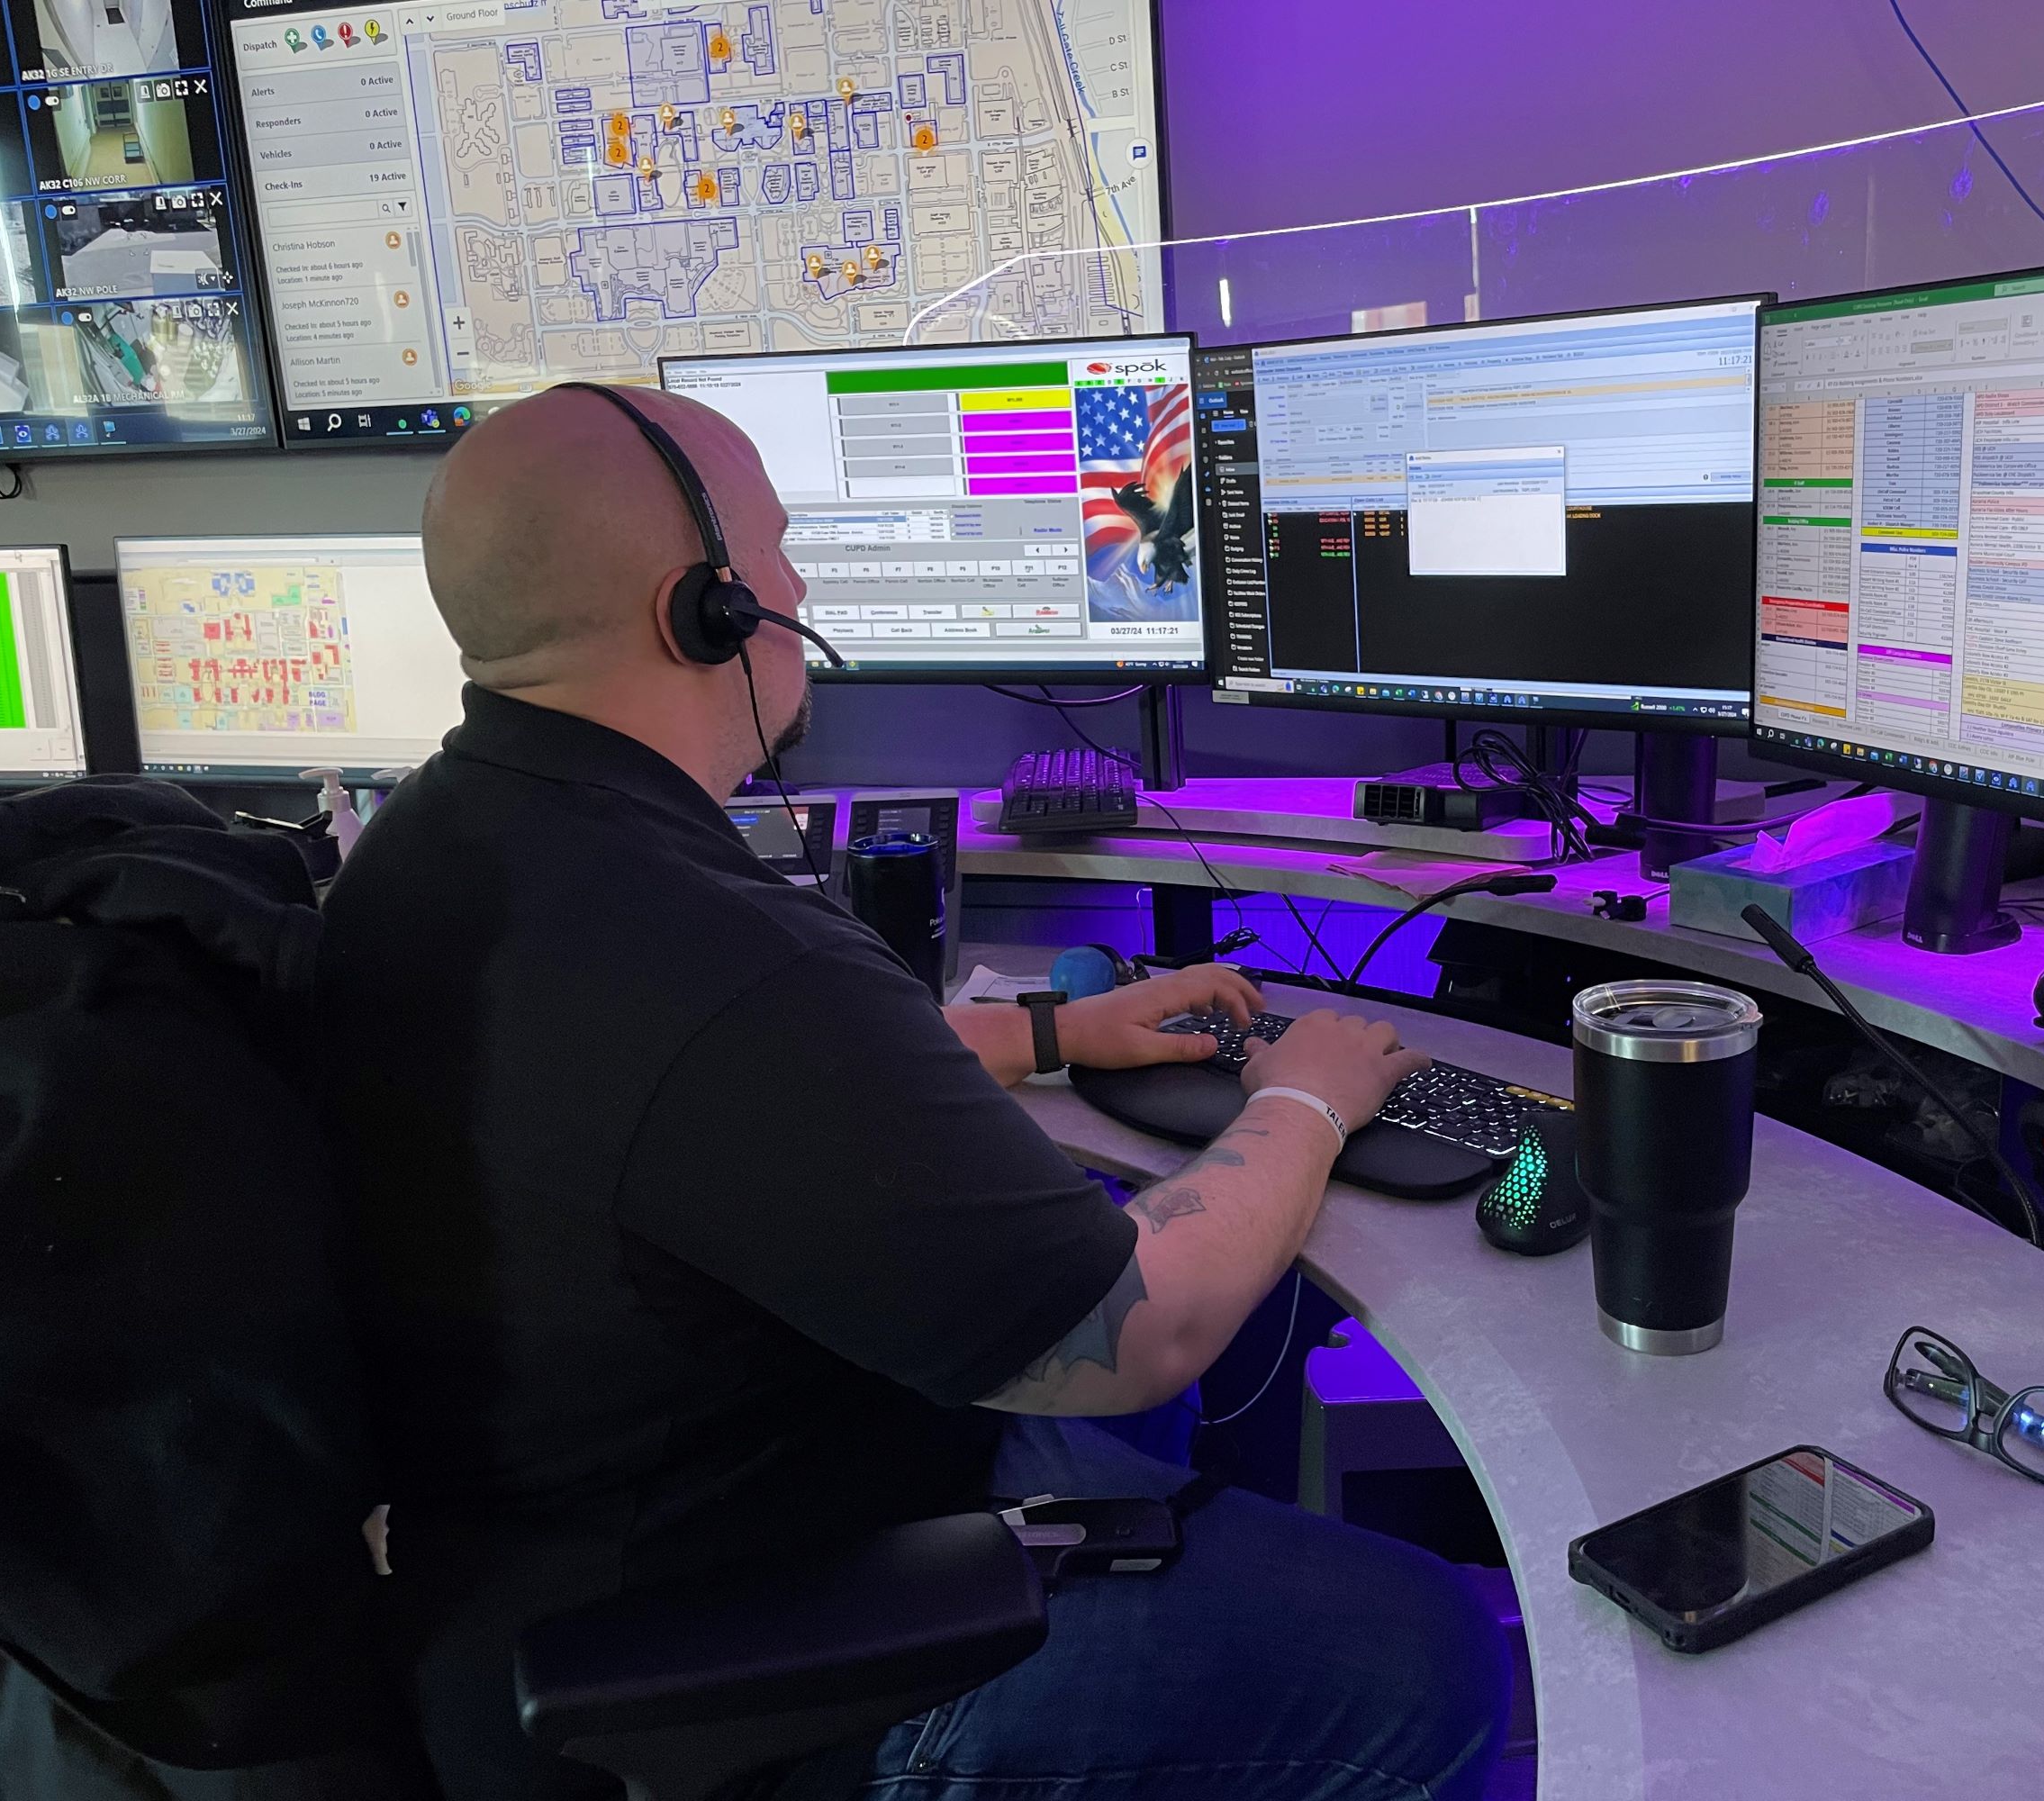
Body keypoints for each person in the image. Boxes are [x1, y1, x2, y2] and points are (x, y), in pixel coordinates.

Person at [317, 384, 1513, 1800]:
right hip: (746, 1666)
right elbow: (1141, 1328)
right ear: (700, 607)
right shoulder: (705, 950)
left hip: (564, 1555)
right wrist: (1304, 1098)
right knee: (1430, 1652)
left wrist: (1057, 1036)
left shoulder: (456, 842)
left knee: (1146, 1365)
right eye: (777, 551)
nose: (799, 584)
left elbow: (698, 1111)